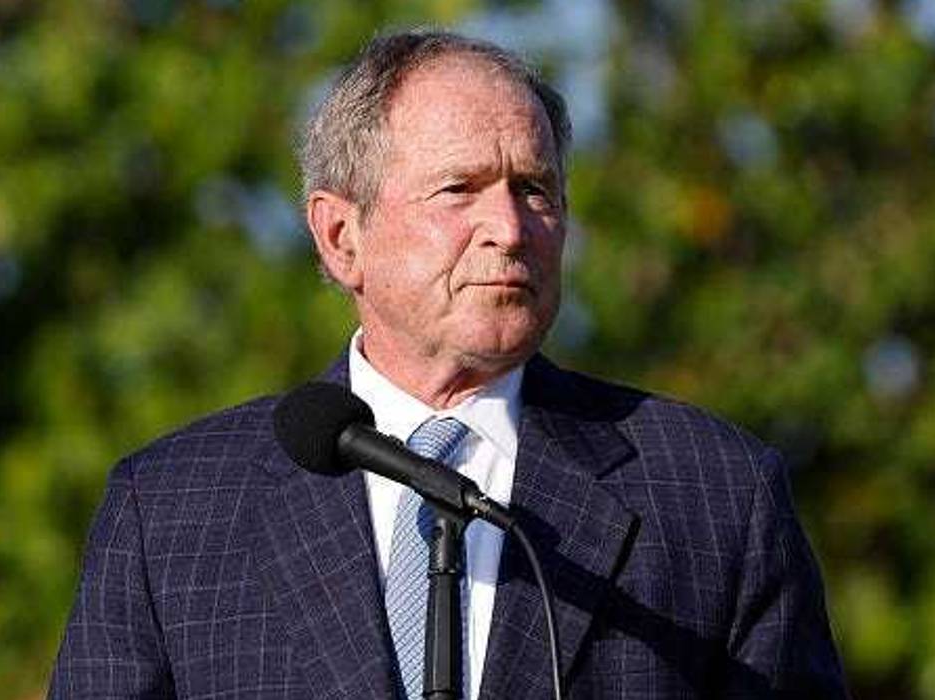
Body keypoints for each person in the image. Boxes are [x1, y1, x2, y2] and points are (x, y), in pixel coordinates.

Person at [49, 29, 848, 699]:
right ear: (341, 237)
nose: (509, 227)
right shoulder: (173, 510)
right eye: (459, 189)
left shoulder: (713, 494)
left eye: (534, 189)